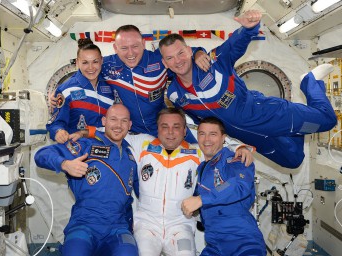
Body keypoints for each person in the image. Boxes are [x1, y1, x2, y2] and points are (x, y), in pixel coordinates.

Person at [158, 10, 337, 168]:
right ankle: (297, 129)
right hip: (250, 136)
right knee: (293, 161)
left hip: (270, 114)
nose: (178, 61)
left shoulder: (213, 63)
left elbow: (233, 46)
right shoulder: (175, 95)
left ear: (189, 51)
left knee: (328, 120)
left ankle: (309, 81)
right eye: (170, 58)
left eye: (181, 53)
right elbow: (200, 122)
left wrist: (249, 29)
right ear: (165, 63)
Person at [127, 108, 254, 256]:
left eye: (176, 127)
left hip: (180, 225)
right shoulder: (143, 143)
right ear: (157, 128)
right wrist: (91, 130)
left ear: (185, 130)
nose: (170, 132)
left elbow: (217, 145)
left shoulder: (197, 152)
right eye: (164, 126)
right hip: (147, 225)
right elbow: (115, 131)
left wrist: (240, 147)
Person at [35, 104, 139, 256]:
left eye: (124, 121)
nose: (118, 125)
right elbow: (41, 155)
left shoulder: (131, 157)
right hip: (84, 225)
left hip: (117, 228)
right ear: (104, 121)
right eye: (113, 119)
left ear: (129, 125)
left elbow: (133, 196)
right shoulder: (86, 145)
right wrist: (65, 164)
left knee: (129, 253)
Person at [102, 24, 209, 139]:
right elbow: (84, 69)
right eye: (124, 48)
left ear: (143, 43)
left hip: (163, 127)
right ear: (115, 47)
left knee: (195, 151)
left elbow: (184, 52)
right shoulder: (106, 65)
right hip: (130, 132)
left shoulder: (159, 59)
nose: (130, 53)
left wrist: (199, 53)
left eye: (135, 46)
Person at [181, 116, 266, 256]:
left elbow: (239, 185)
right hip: (215, 245)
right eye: (202, 134)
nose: (206, 139)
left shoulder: (236, 159)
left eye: (213, 134)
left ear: (223, 138)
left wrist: (201, 200)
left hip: (242, 242)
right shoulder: (202, 168)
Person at [46, 38, 115, 143]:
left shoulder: (111, 86)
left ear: (101, 60)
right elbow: (56, 122)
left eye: (95, 62)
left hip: (105, 145)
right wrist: (58, 131)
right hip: (78, 147)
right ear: (77, 62)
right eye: (85, 62)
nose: (91, 67)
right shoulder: (66, 90)